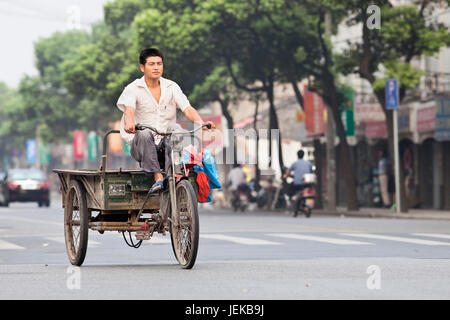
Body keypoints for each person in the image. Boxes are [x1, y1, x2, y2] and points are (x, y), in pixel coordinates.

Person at [116, 48, 215, 193]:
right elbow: (129, 110)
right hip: (141, 146)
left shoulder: (171, 86)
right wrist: (129, 123)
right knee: (144, 133)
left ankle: (175, 173)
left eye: (159, 63)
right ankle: (158, 178)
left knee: (176, 128)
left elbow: (187, 108)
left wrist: (200, 122)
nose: (156, 67)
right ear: (142, 67)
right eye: (151, 64)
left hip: (166, 145)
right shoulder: (133, 88)